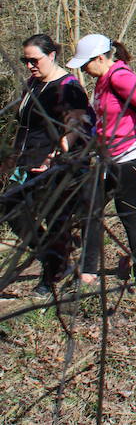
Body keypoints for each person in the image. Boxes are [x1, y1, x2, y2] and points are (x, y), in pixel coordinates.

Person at [69, 35, 136, 285]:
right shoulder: (102, 80)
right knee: (90, 209)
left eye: (86, 65)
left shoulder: (118, 76)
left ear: (101, 58)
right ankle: (88, 270)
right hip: (111, 158)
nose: (84, 70)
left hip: (132, 157)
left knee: (129, 215)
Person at [1, 34, 93, 295]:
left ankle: (50, 274)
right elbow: (25, 123)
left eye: (34, 60)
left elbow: (76, 125)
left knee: (55, 218)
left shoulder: (68, 86)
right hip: (26, 159)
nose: (29, 65)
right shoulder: (32, 84)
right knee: (12, 209)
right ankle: (53, 257)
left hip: (55, 164)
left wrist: (56, 153)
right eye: (25, 60)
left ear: (51, 55)